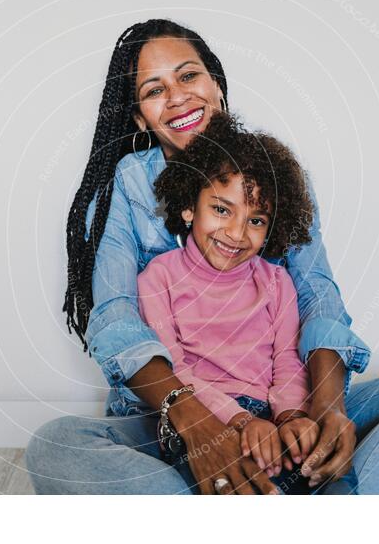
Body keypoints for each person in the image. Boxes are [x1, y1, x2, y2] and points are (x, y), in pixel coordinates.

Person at [25, 19, 379, 495]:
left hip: (283, 407)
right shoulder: (122, 189)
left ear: (216, 83)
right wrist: (201, 429)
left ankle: (299, 486)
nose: (177, 97)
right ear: (139, 118)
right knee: (58, 446)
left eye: (189, 76)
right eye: (155, 89)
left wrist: (323, 411)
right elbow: (115, 317)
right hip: (174, 420)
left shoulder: (275, 174)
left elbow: (316, 294)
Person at [137, 111, 327, 495]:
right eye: (222, 210)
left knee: (315, 468)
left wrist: (291, 417)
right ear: (190, 206)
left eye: (256, 220)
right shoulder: (159, 278)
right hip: (200, 419)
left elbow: (287, 361)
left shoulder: (275, 282)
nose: (236, 233)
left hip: (269, 417)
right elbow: (175, 369)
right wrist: (239, 422)